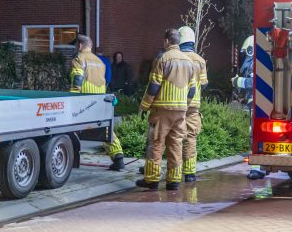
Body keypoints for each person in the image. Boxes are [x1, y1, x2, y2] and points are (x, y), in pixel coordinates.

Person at [137, 28, 196, 190]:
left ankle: (152, 179)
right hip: (180, 112)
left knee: (156, 143)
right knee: (176, 144)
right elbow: (192, 89)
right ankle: (174, 181)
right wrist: (184, 105)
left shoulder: (162, 59)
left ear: (166, 41)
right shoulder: (188, 61)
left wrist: (144, 106)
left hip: (162, 111)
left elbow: (153, 86)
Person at [70, 34, 125, 170]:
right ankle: (118, 157)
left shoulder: (79, 58)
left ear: (80, 46)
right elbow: (105, 81)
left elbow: (77, 79)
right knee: (106, 129)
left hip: (84, 101)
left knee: (69, 128)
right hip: (100, 101)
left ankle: (69, 157)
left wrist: (71, 99)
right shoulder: (100, 61)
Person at [177, 26, 208, 183]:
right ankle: (189, 173)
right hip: (193, 106)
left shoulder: (175, 57)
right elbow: (204, 84)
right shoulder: (200, 60)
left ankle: (173, 172)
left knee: (173, 137)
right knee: (190, 137)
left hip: (175, 104)